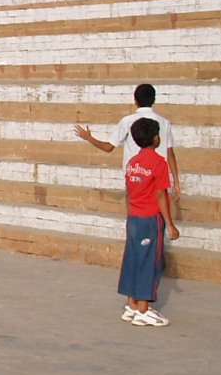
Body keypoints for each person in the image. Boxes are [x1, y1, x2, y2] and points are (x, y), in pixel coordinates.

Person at [75, 84, 181, 210]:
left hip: (136, 174)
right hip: (158, 173)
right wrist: (176, 182)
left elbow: (109, 147)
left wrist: (88, 138)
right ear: (154, 99)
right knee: (158, 210)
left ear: (135, 101)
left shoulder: (127, 121)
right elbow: (170, 153)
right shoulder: (164, 122)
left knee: (134, 209)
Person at [119, 117, 179, 326]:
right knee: (149, 262)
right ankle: (143, 309)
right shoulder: (157, 163)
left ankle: (131, 304)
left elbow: (128, 191)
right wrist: (169, 223)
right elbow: (161, 195)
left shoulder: (132, 163)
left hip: (134, 216)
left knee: (133, 258)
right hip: (149, 218)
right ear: (156, 138)